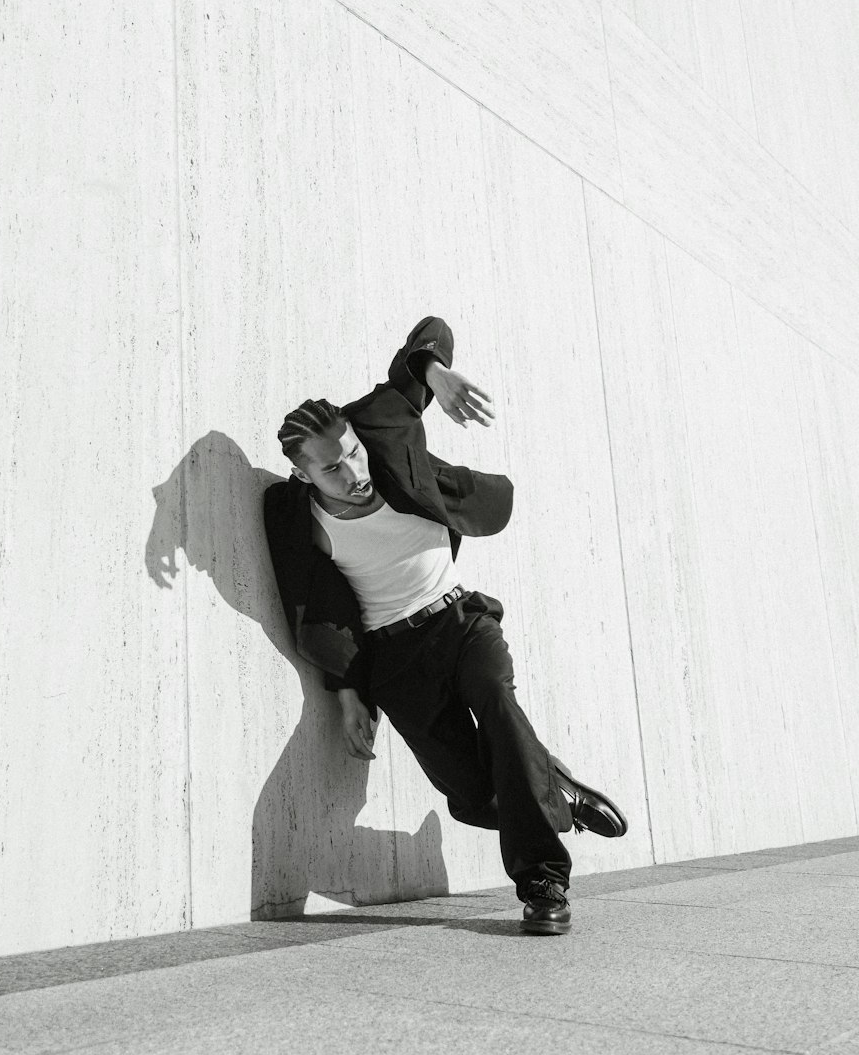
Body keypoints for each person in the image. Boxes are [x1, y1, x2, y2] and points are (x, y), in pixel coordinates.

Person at [263, 316, 627, 934]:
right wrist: (347, 692)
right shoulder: (297, 520)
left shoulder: (382, 429)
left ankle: (544, 884)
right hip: (396, 658)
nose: (353, 473)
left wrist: (436, 372)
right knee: (472, 796)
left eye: (351, 453)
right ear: (303, 476)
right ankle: (555, 789)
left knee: (498, 702)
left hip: (460, 620)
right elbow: (317, 606)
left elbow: (428, 333)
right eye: (331, 470)